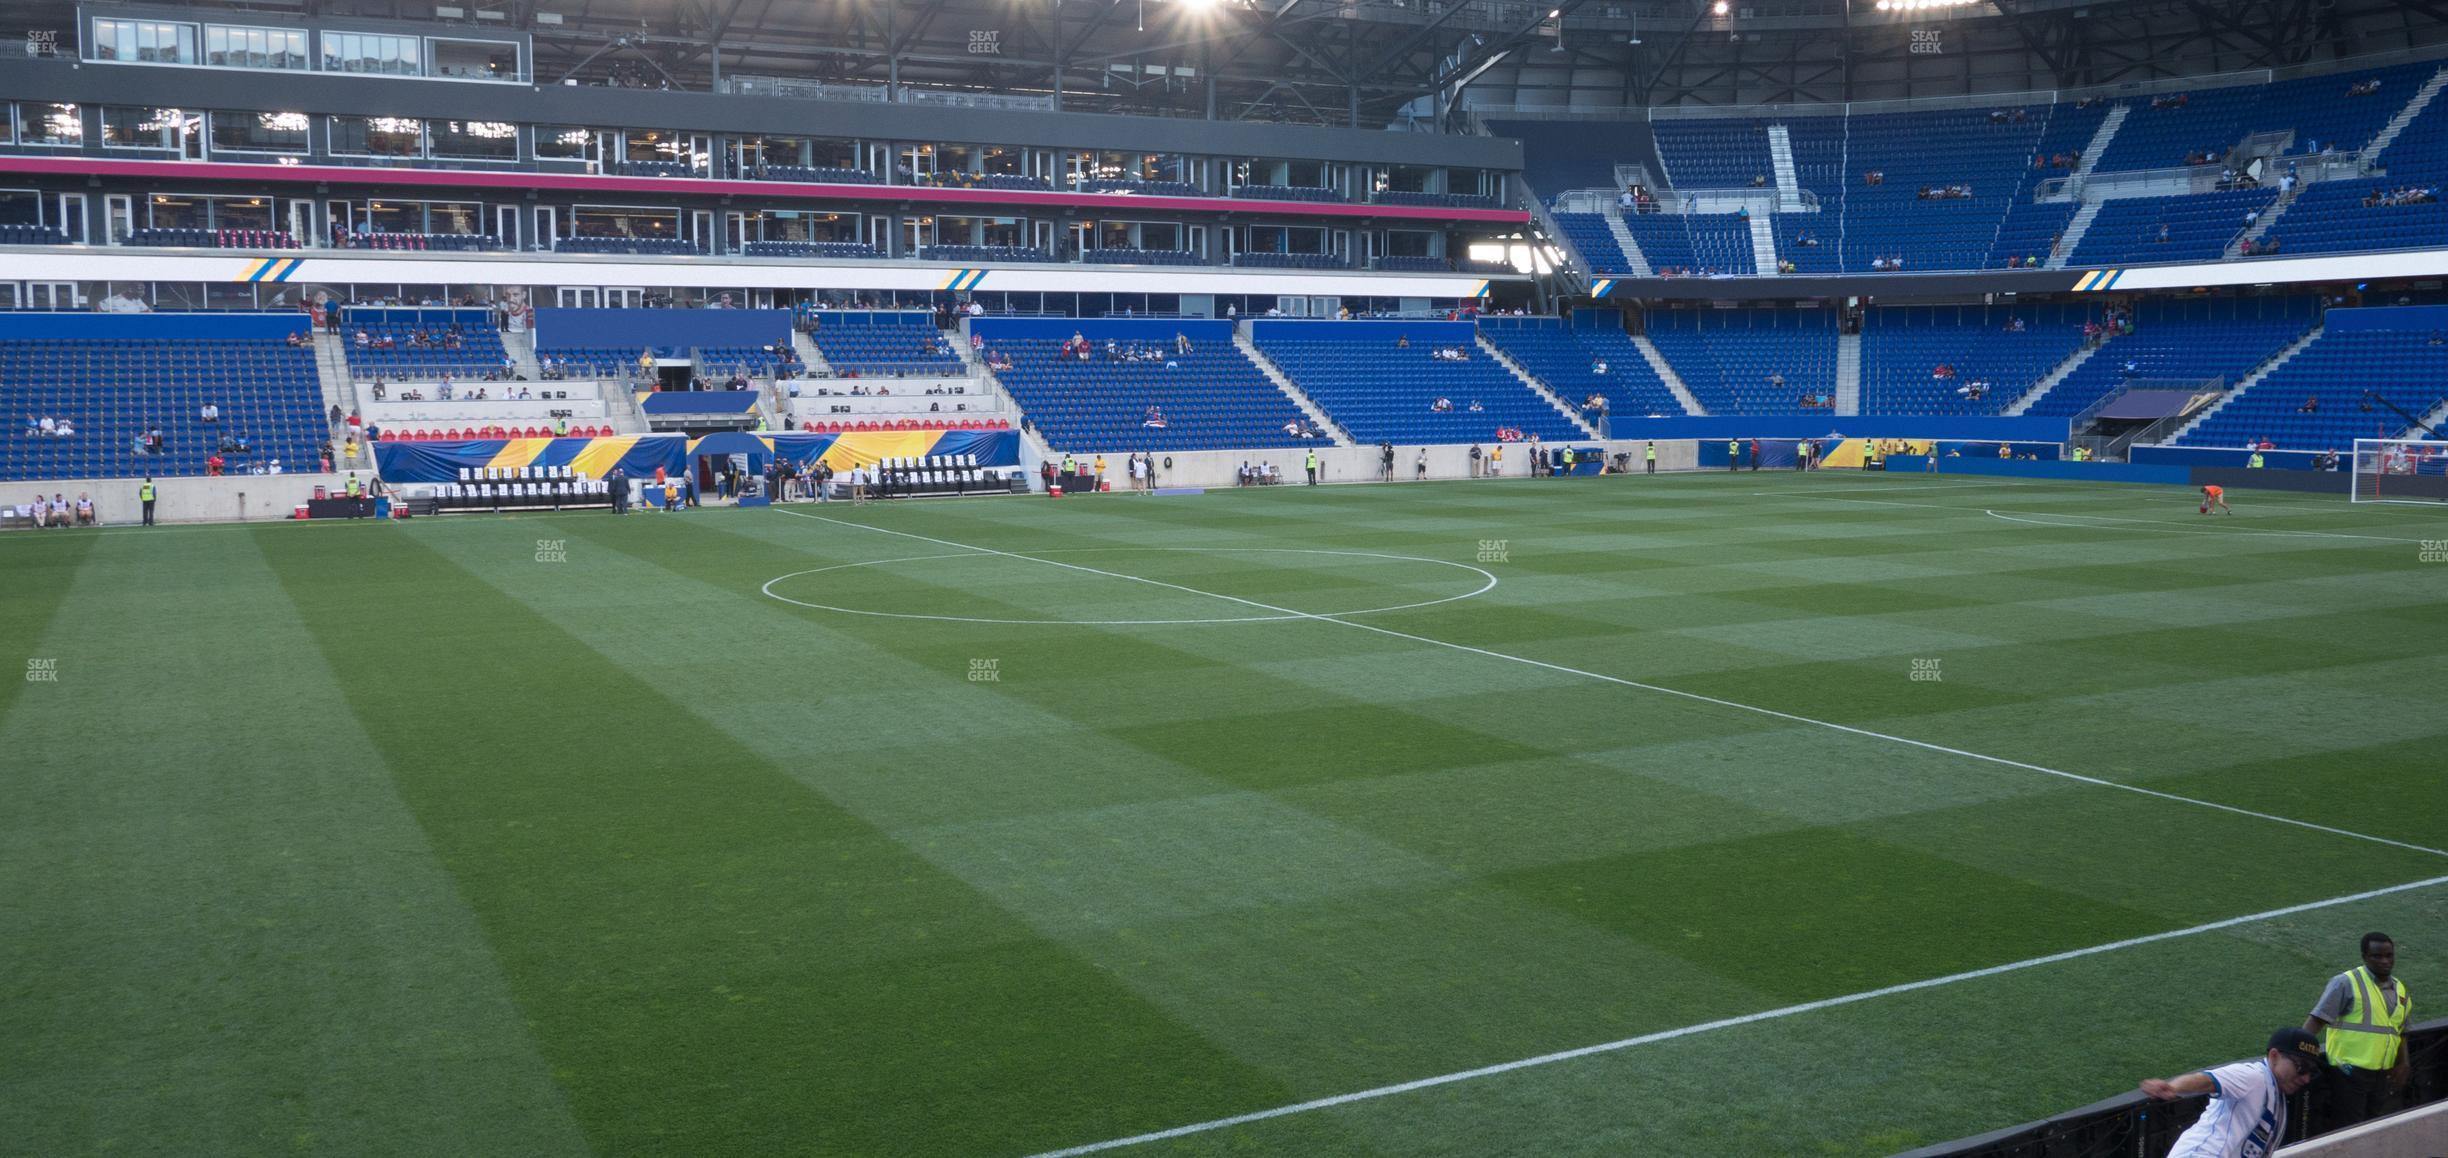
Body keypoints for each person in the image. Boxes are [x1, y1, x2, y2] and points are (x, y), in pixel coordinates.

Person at [2140, 1028, 2323, 1158]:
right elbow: (2208, 1080)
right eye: (2301, 1068)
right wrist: (2174, 1087)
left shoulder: (2278, 1100)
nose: (2306, 1078)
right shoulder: (2254, 1076)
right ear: (2274, 1056)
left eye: (2311, 1072)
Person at [2304, 932, 2411, 1132]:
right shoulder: (2345, 982)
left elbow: (2401, 1031)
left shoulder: (2401, 990)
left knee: (2373, 1130)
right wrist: (2298, 1054)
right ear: (2364, 956)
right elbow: (2316, 1021)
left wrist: (2403, 1062)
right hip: (2348, 1073)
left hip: (2382, 1075)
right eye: (2377, 956)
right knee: (2350, 1132)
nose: (2385, 961)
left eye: (2389, 955)